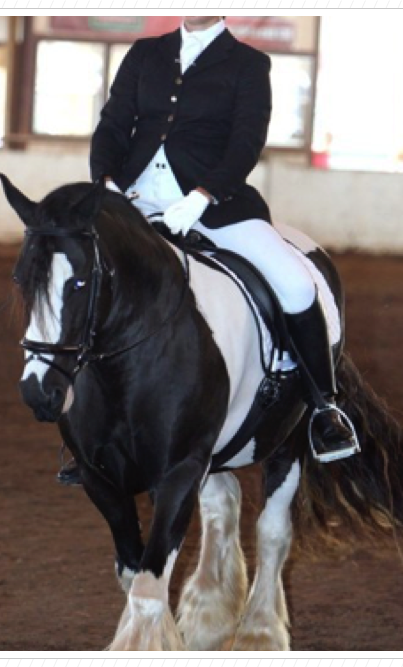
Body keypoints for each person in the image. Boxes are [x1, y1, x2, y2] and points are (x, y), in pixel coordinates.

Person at [60, 16, 358, 485]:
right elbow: (114, 125)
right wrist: (108, 184)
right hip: (133, 203)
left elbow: (245, 142)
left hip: (215, 205)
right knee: (80, 281)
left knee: (297, 285)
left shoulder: (247, 64)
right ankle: (88, 429)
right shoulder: (145, 54)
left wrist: (202, 196)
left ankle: (325, 408)